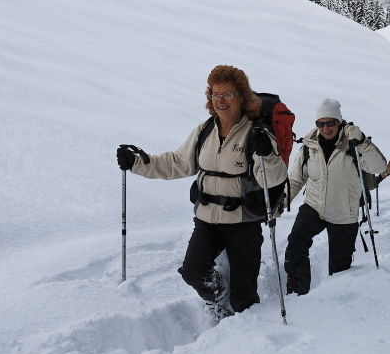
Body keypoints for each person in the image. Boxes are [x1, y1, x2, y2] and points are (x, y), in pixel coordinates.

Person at [116, 65, 287, 320]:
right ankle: (219, 299)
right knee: (193, 272)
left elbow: (273, 178)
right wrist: (137, 163)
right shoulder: (205, 130)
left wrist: (268, 154)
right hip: (207, 219)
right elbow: (178, 162)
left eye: (227, 94)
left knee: (244, 298)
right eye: (215, 95)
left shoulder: (256, 133)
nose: (220, 101)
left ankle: (247, 332)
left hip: (243, 222)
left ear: (242, 96)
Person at [283, 99, 387, 295]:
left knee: (340, 267)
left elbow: (379, 166)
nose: (325, 128)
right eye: (320, 123)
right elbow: (296, 180)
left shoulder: (353, 143)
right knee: (296, 244)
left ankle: (335, 302)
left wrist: (362, 141)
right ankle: (297, 294)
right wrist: (279, 204)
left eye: (330, 122)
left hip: (343, 212)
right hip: (314, 206)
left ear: (339, 122)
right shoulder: (309, 146)